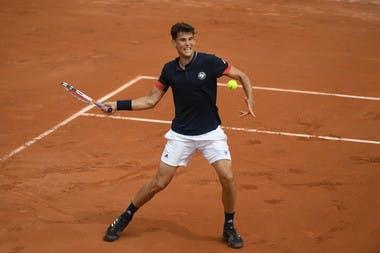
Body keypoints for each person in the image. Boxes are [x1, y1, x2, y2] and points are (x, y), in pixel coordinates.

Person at [101, 22, 255, 249]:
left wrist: (249, 98)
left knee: (228, 177)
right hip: (181, 135)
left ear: (195, 40)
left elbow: (241, 75)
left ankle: (229, 226)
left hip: (211, 133)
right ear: (174, 43)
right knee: (158, 183)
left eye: (191, 39)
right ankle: (125, 216)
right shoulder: (169, 70)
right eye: (182, 40)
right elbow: (150, 100)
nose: (187, 44)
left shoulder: (209, 62)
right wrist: (117, 104)